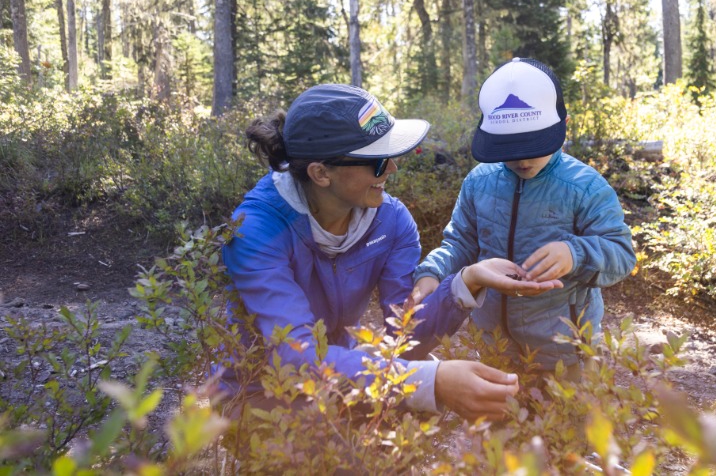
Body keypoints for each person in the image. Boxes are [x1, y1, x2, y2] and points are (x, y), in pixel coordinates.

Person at [216, 83, 562, 421]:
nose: (393, 168)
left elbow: (403, 334)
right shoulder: (255, 230)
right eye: (378, 161)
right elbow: (295, 356)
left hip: (339, 378)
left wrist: (465, 283)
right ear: (321, 173)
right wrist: (431, 382)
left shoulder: (391, 221)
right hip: (258, 393)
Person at [410, 58, 637, 375]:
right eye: (509, 147)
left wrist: (574, 254)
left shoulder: (585, 187)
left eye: (533, 144)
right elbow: (460, 243)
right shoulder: (480, 182)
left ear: (563, 125)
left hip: (566, 355)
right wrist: (432, 271)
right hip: (493, 349)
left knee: (568, 425)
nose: (522, 158)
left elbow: (622, 254)